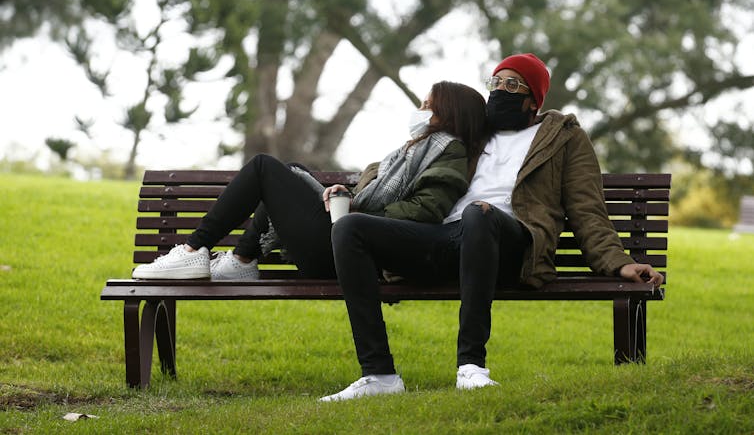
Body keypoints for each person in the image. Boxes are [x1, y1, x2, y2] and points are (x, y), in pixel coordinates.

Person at [320, 53, 664, 402]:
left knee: (478, 214)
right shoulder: (474, 130)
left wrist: (619, 263)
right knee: (350, 229)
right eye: (495, 83)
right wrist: (357, 190)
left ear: (533, 99)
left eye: (512, 84)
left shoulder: (562, 138)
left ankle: (471, 367)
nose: (500, 90)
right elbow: (400, 158)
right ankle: (379, 373)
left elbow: (587, 209)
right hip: (448, 237)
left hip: (511, 242)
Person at [131, 80, 488, 281]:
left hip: (353, 250)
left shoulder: (449, 153)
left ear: (449, 115)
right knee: (292, 170)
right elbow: (381, 197)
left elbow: (425, 212)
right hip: (348, 240)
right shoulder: (416, 150)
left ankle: (195, 250)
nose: (421, 111)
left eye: (429, 106)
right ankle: (241, 261)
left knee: (263, 168)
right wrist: (344, 197)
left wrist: (354, 215)